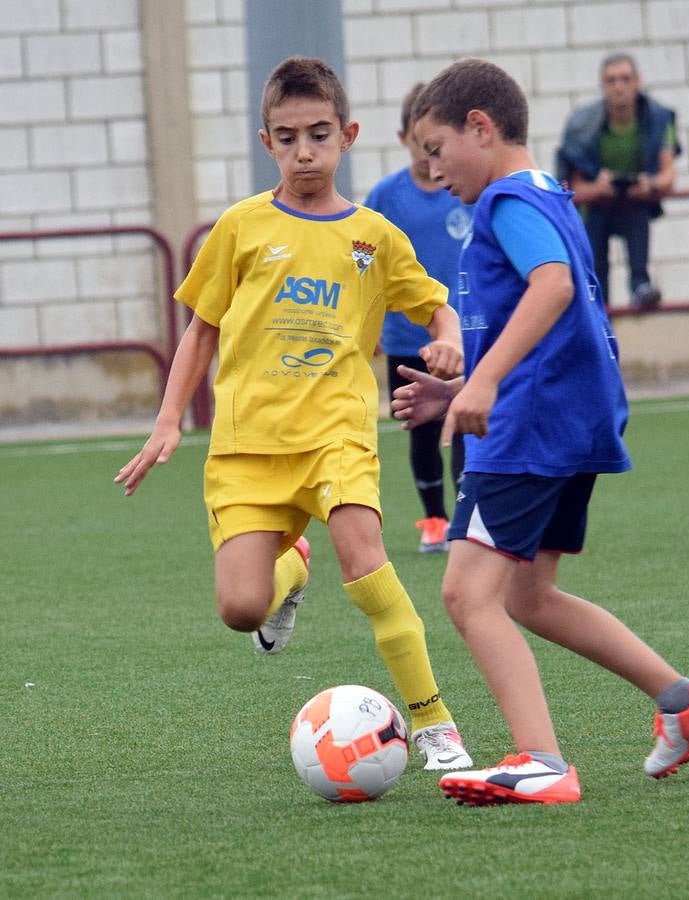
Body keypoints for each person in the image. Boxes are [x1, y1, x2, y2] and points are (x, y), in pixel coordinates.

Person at [390, 58, 689, 805]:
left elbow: (550, 287)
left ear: (479, 128)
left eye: (436, 147)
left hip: (528, 428)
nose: (431, 166)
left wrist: (483, 384)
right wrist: (459, 387)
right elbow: (550, 311)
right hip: (567, 419)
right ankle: (683, 701)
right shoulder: (546, 191)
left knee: (465, 594)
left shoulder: (507, 201)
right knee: (528, 594)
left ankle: (540, 760)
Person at [114, 56, 472, 772]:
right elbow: (202, 328)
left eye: (317, 133)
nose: (303, 151)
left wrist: (449, 341)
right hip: (248, 446)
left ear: (346, 135)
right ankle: (290, 572)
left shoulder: (373, 234)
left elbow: (433, 303)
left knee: (366, 563)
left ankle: (434, 723)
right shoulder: (241, 228)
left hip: (336, 435)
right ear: (265, 141)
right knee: (240, 609)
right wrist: (167, 420)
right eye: (287, 137)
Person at [364, 83, 470, 554]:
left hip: (463, 335)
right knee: (421, 430)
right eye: (419, 141)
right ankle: (434, 520)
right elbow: (361, 264)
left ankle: (468, 517)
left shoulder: (464, 190)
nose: (429, 153)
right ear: (404, 136)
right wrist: (366, 324)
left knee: (465, 420)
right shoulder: (386, 196)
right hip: (407, 337)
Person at [555, 52, 679, 308]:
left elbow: (668, 176)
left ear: (637, 81)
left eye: (625, 79)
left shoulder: (659, 118)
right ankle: (598, 301)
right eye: (611, 80)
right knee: (596, 278)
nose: (619, 87)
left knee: (636, 213)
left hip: (634, 205)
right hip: (596, 208)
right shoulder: (582, 125)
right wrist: (598, 188)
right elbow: (571, 188)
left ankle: (640, 285)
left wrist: (649, 185)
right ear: (602, 86)